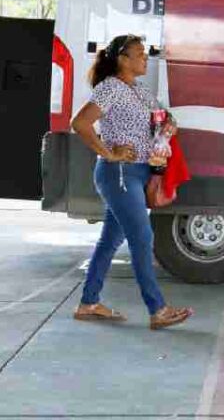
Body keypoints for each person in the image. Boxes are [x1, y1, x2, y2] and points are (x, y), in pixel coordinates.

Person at [69, 34, 193, 330]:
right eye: (139, 53)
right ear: (122, 59)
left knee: (110, 241)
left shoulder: (139, 90)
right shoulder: (110, 87)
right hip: (120, 174)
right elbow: (80, 123)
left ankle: (88, 303)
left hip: (138, 172)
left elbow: (164, 116)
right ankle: (157, 309)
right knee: (142, 238)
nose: (145, 57)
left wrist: (168, 125)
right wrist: (108, 152)